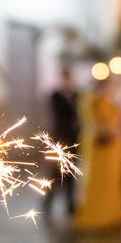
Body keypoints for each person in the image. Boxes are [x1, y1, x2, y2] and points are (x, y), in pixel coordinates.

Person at [74, 78, 121, 230]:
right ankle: (96, 216)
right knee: (97, 182)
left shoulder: (112, 104)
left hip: (113, 149)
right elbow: (92, 123)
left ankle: (110, 214)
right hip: (100, 148)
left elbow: (119, 121)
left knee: (112, 182)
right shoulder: (94, 103)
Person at [43, 68, 79, 216]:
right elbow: (57, 115)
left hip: (73, 139)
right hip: (59, 139)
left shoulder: (76, 95)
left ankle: (70, 204)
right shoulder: (56, 96)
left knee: (71, 173)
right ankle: (48, 202)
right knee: (55, 173)